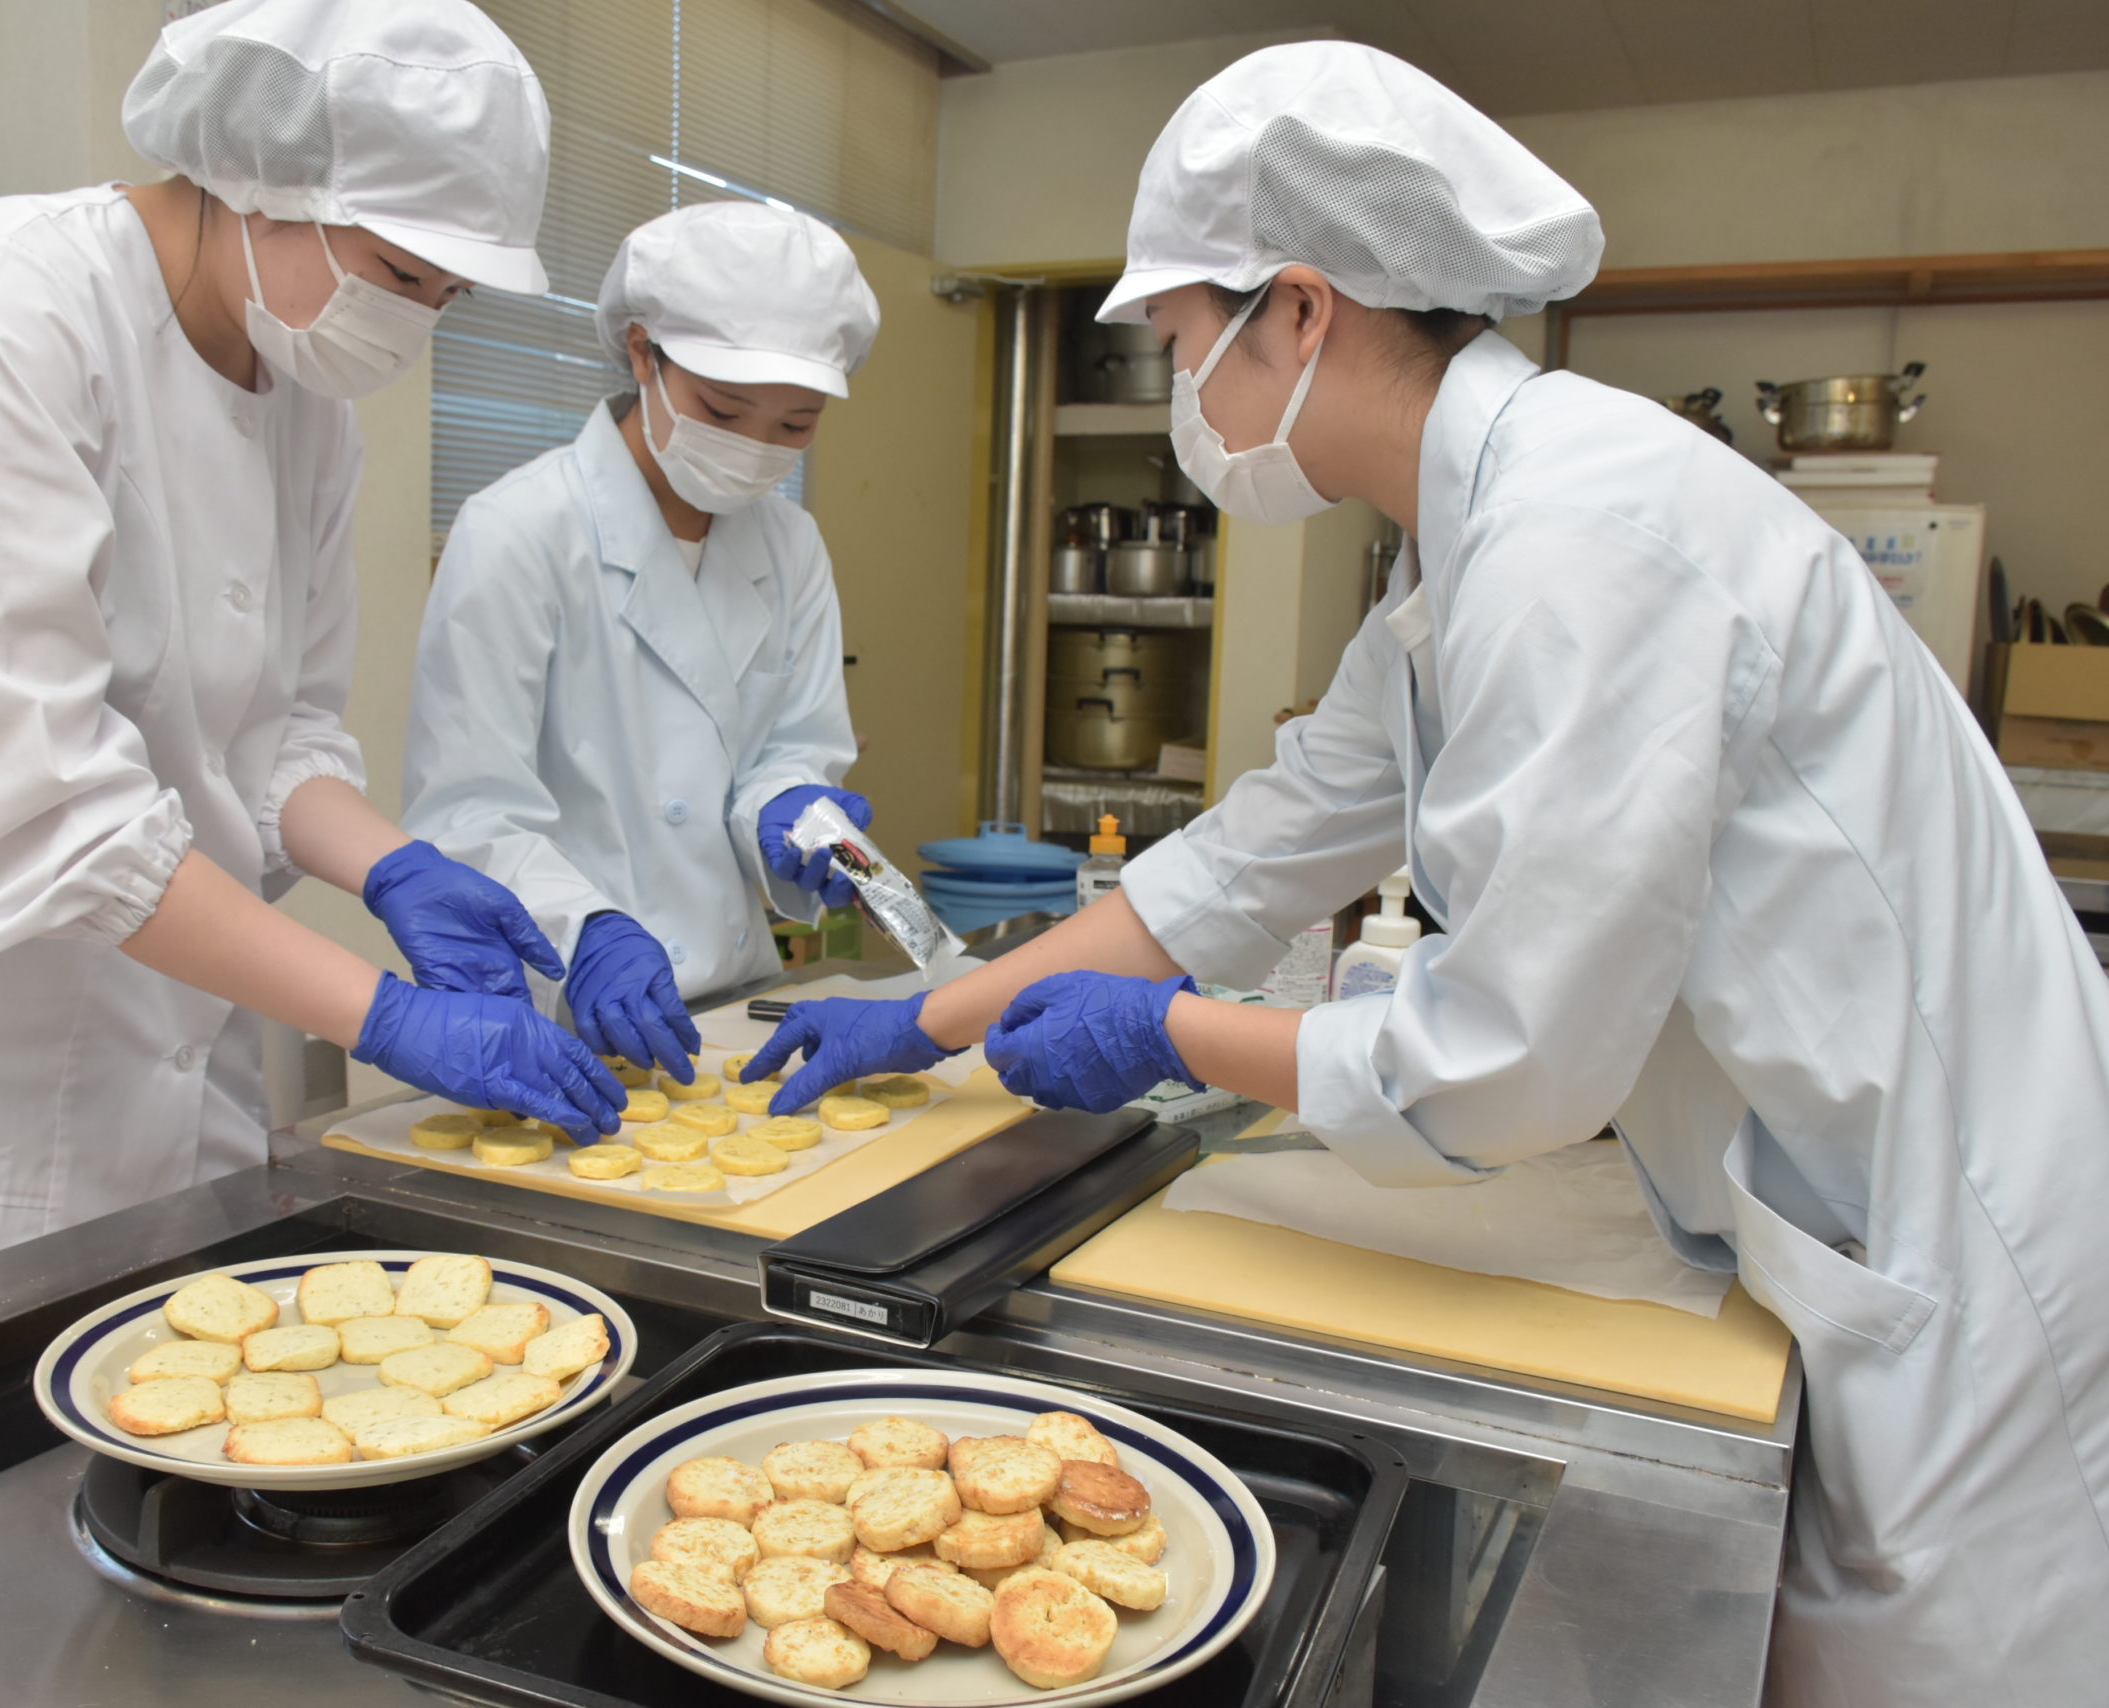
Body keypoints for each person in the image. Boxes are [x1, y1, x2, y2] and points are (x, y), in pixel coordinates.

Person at [746, 41, 2109, 1705]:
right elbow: (1268, 842)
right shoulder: (1467, 546)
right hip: (1832, 1196)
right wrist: (936, 1012)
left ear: (1302, 311)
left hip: (1968, 1245)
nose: (1187, 396)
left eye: (1182, 342)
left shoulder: (1577, 541)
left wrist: (1173, 1038)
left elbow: (1514, 1056)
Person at [0, 0, 623, 1326]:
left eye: (442, 293)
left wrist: (393, 865)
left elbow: (276, 737)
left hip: (162, 1076)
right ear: (255, 178)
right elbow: (42, 816)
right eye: (398, 269)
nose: (411, 322)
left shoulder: (306, 410)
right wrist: (379, 1016)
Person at [401, 201, 880, 1083]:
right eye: (724, 409)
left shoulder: (791, 544)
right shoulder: (518, 530)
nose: (753, 449)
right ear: (640, 350)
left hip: (740, 1005)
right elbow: (468, 811)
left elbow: (789, 751)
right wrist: (584, 929)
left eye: (794, 425)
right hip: (563, 1018)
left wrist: (794, 811)